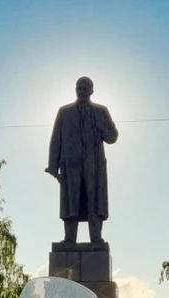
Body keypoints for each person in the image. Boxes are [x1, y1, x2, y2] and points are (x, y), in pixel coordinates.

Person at [46, 76, 118, 244]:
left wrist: (102, 125)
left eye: (86, 88)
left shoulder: (101, 111)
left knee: (95, 201)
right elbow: (56, 139)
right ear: (75, 90)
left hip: (94, 166)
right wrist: (52, 166)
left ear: (92, 91)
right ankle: (69, 239)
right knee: (71, 202)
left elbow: (112, 137)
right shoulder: (64, 112)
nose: (82, 91)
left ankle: (96, 238)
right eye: (79, 88)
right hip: (71, 166)